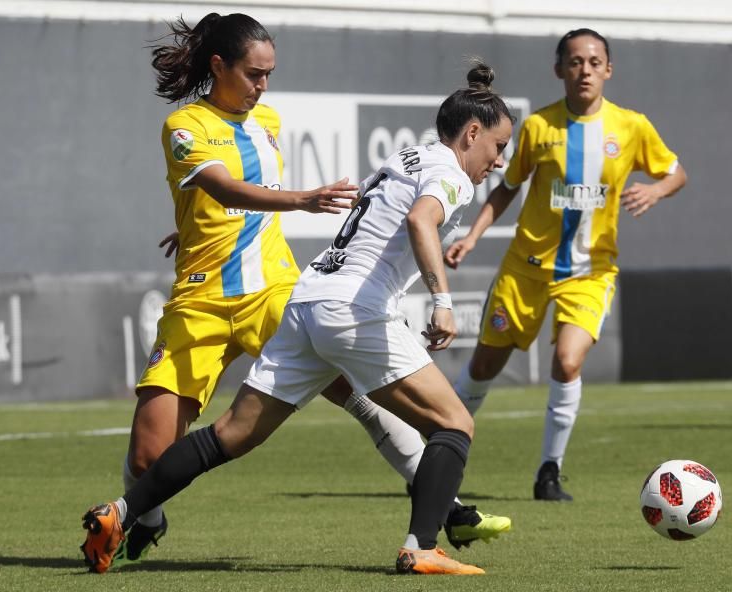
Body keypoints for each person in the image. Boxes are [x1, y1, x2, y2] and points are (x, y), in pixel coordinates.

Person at [81, 61, 515, 576]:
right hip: (353, 309)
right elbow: (422, 220)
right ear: (471, 133)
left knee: (229, 435)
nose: (498, 160)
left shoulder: (405, 158)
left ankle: (121, 512)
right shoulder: (450, 174)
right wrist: (442, 301)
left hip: (306, 301)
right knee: (454, 421)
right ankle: (422, 545)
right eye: (497, 147)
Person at [446, 29, 687, 501]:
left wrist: (656, 189)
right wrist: (472, 237)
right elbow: (507, 187)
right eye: (575, 62)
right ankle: (437, 454)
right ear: (559, 70)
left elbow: (676, 172)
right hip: (526, 269)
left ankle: (549, 471)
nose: (585, 70)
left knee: (567, 360)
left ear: (608, 70)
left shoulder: (632, 127)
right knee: (485, 365)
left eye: (595, 62)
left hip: (591, 272)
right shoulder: (538, 127)